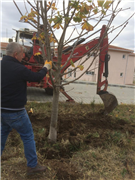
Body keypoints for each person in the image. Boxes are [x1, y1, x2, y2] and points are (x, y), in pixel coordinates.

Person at [0, 42, 52, 175]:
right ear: (16, 54)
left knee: (3, 133)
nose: (24, 56)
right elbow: (36, 77)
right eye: (22, 53)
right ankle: (32, 166)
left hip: (1, 110)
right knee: (27, 136)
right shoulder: (19, 69)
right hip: (16, 111)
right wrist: (46, 67)